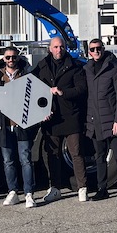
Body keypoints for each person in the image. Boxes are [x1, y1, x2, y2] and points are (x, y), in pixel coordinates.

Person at [32, 36, 88, 203]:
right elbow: (31, 86)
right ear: (50, 49)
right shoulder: (42, 66)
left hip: (70, 115)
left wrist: (63, 92)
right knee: (52, 154)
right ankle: (55, 188)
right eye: (55, 47)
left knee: (76, 153)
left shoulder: (75, 66)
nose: (59, 50)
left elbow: (81, 89)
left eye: (61, 47)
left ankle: (82, 188)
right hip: (51, 117)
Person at [84, 38, 117, 202]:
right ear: (89, 52)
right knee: (99, 157)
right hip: (95, 121)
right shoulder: (87, 69)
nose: (96, 51)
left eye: (98, 48)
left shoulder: (114, 67)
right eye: (92, 49)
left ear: (103, 49)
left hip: (112, 121)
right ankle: (102, 189)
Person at [0, 46, 37, 208]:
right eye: (8, 57)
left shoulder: (27, 76)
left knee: (26, 160)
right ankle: (13, 192)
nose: (11, 60)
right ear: (3, 59)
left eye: (14, 57)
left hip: (22, 125)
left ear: (18, 58)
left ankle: (29, 193)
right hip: (4, 125)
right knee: (8, 161)